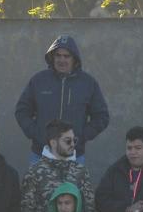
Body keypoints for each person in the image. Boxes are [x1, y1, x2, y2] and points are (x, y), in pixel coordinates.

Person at [14, 35, 109, 163]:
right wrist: (37, 134)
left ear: (74, 59)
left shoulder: (88, 83)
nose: (61, 60)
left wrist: (80, 136)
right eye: (58, 55)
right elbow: (22, 110)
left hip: (74, 157)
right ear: (52, 57)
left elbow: (102, 116)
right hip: (41, 155)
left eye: (66, 56)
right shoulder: (39, 80)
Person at [19, 120, 97, 212]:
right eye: (68, 141)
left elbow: (90, 211)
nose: (73, 144)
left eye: (74, 140)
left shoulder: (81, 171)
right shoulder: (35, 172)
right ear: (53, 143)